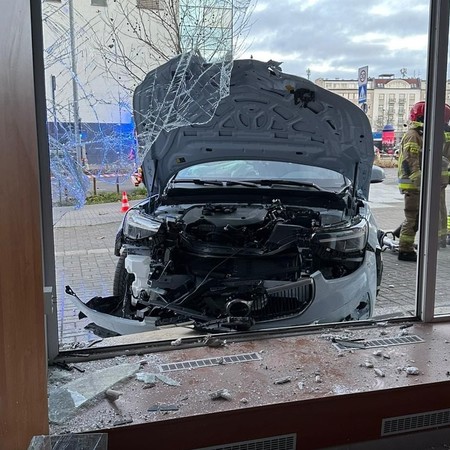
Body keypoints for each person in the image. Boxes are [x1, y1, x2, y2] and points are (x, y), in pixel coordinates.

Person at [396, 101, 450, 262]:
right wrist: (420, 181)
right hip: (414, 185)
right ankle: (405, 250)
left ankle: (406, 239)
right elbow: (410, 160)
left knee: (422, 215)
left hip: (425, 184)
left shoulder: (426, 134)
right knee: (413, 217)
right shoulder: (414, 135)